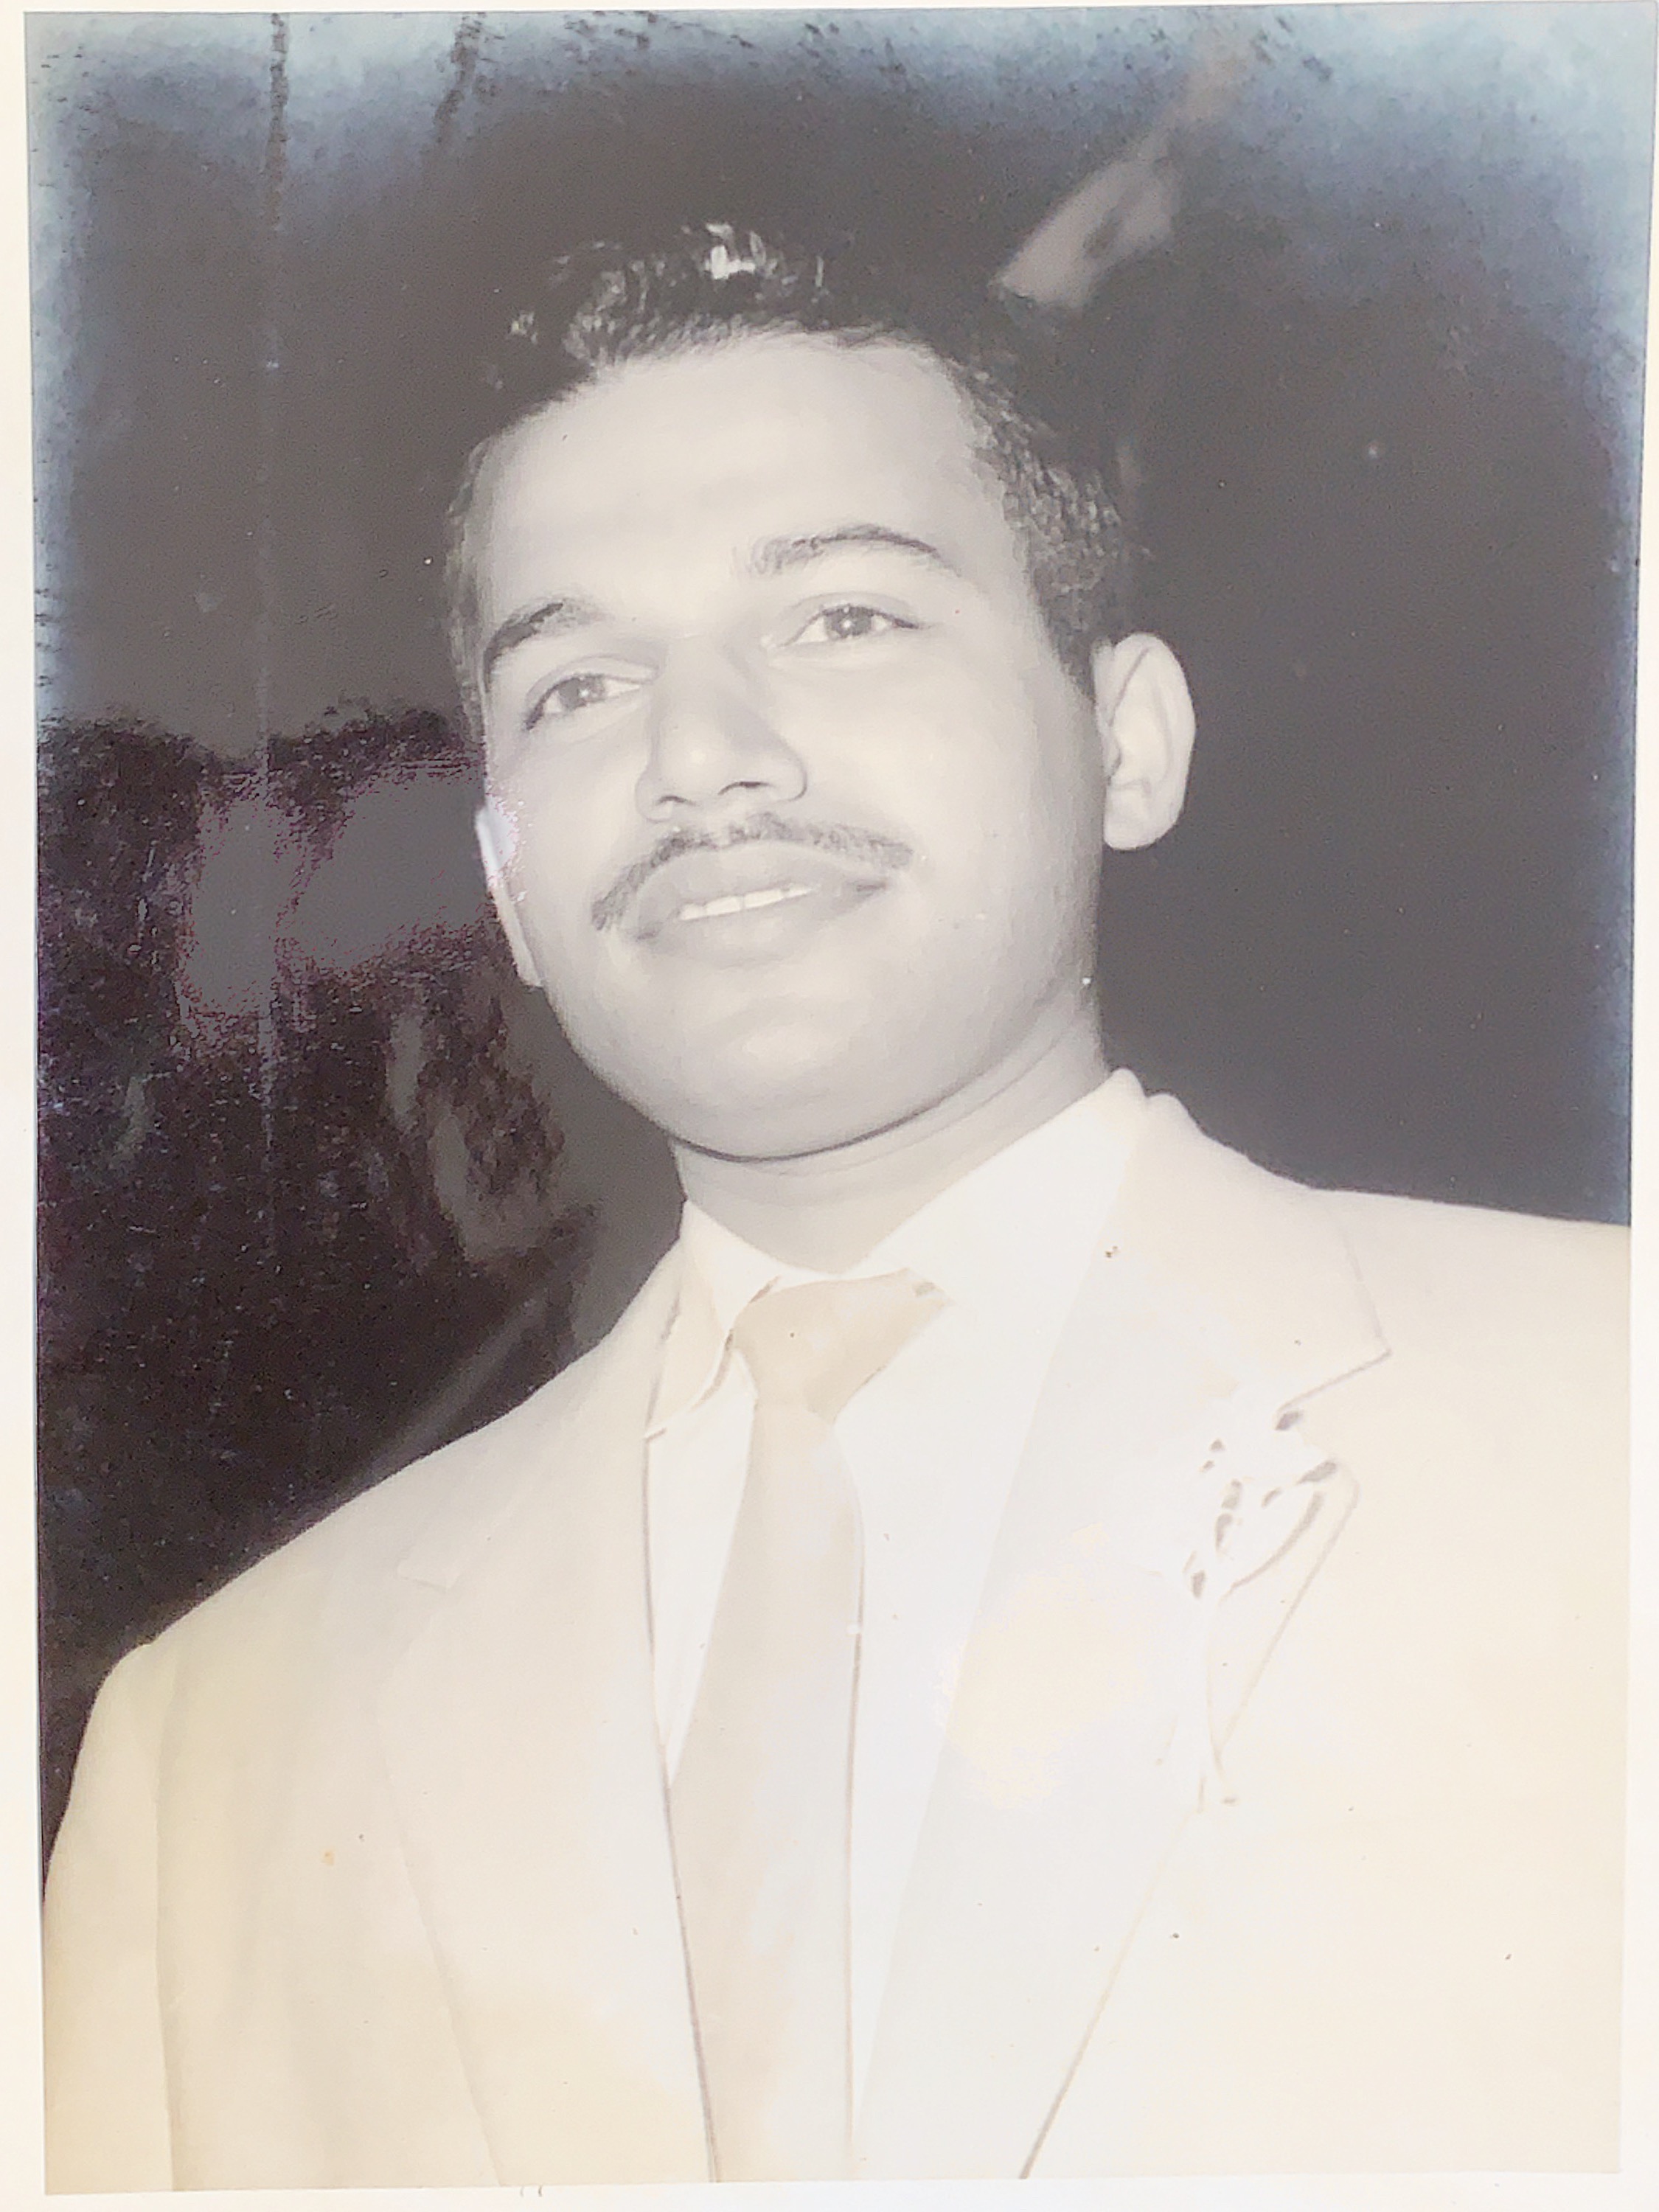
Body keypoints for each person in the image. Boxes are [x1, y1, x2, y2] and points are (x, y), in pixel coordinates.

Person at [41, 226, 1627, 2188]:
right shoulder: (209, 1745)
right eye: (579, 682)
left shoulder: (1605, 1416)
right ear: (511, 881)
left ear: (1127, 741)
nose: (700, 759)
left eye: (843, 618)